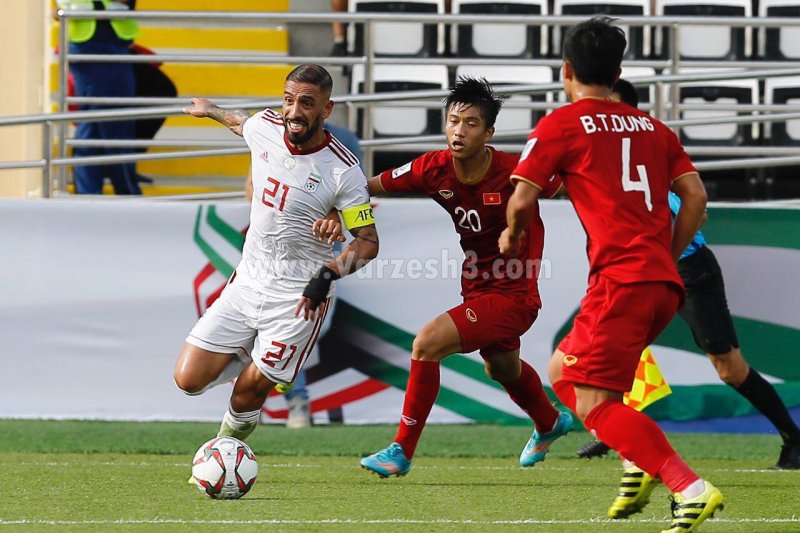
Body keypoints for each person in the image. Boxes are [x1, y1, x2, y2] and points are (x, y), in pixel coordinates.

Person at [500, 18, 722, 532]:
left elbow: (523, 197)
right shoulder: (655, 129)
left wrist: (512, 236)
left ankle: (688, 487)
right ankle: (636, 462)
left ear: (567, 70)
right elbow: (696, 197)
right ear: (618, 72)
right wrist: (667, 250)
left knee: (593, 401)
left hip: (621, 280)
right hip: (661, 281)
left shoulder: (561, 124)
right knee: (563, 370)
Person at [316, 77, 573, 479]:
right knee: (502, 369)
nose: (459, 130)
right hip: (477, 287)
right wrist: (337, 212)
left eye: (471, 123)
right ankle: (549, 421)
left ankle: (400, 450)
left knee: (427, 343)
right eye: (454, 120)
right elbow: (366, 188)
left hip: (515, 290)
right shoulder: (432, 168)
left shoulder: (515, 172)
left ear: (488, 133)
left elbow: (568, 183)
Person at [577, 80, 800, 473]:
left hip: (687, 266)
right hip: (644, 265)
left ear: (624, 109)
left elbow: (694, 206)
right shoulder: (599, 150)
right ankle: (609, 429)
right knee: (611, 344)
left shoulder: (649, 145)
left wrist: (668, 251)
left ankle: (794, 438)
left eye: (606, 105)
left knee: (729, 367)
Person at [173, 64, 379, 449]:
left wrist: (328, 275)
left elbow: (367, 242)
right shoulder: (265, 127)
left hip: (298, 297)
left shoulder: (342, 171)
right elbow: (241, 123)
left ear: (326, 109)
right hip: (248, 280)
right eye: (289, 100)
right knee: (188, 380)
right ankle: (254, 354)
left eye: (306, 103)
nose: (295, 111)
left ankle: (225, 453)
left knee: (246, 395)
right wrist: (211, 109)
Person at [57, 0, 140, 194]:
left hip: (114, 41)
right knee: (107, 122)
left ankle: (92, 193)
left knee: (101, 122)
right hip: (88, 43)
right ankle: (124, 192)